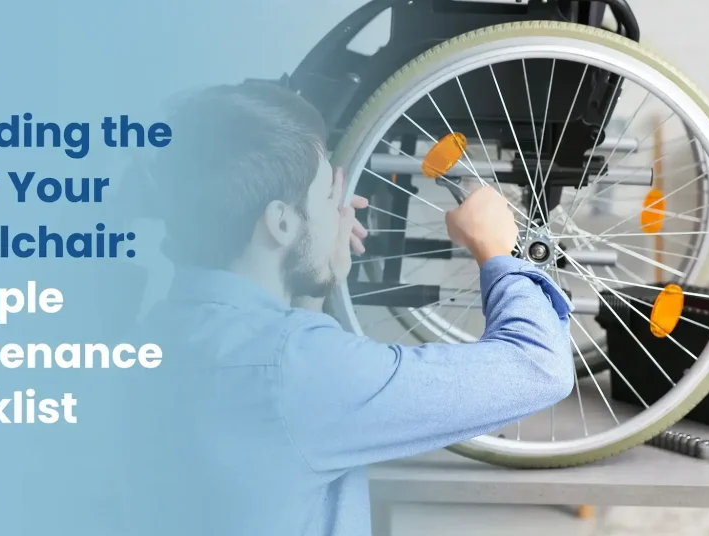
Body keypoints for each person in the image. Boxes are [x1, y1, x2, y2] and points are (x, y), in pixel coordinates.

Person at [123, 80, 575, 536]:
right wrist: (496, 249)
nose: (341, 211)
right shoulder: (298, 371)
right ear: (280, 222)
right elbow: (539, 366)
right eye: (325, 198)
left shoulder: (157, 336)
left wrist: (316, 285)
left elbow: (279, 424)